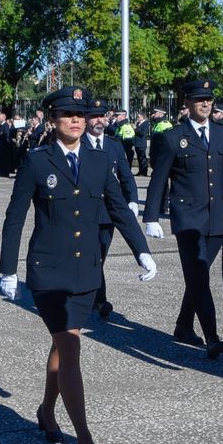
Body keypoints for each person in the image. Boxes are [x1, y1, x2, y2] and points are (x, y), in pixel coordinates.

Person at [0, 86, 157, 444]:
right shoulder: (37, 162)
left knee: (63, 346)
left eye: (80, 114)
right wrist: (7, 268)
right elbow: (16, 216)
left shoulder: (101, 161)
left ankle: (46, 410)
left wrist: (143, 251)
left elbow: (119, 209)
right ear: (52, 120)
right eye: (67, 114)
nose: (75, 120)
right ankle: (84, 437)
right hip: (49, 272)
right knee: (69, 346)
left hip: (86, 271)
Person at [144, 79, 223, 359]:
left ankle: (184, 325)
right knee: (198, 277)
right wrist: (151, 217)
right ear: (186, 103)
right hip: (188, 220)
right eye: (199, 99)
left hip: (219, 218)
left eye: (209, 99)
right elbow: (158, 180)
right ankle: (211, 336)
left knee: (198, 276)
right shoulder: (173, 137)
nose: (206, 104)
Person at [82, 99, 141, 319]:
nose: (99, 120)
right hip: (85, 209)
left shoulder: (114, 145)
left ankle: (92, 294)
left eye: (102, 116)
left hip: (108, 212)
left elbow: (126, 175)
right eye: (94, 116)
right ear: (86, 119)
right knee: (91, 254)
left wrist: (132, 199)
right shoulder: (79, 143)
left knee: (100, 255)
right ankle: (99, 300)